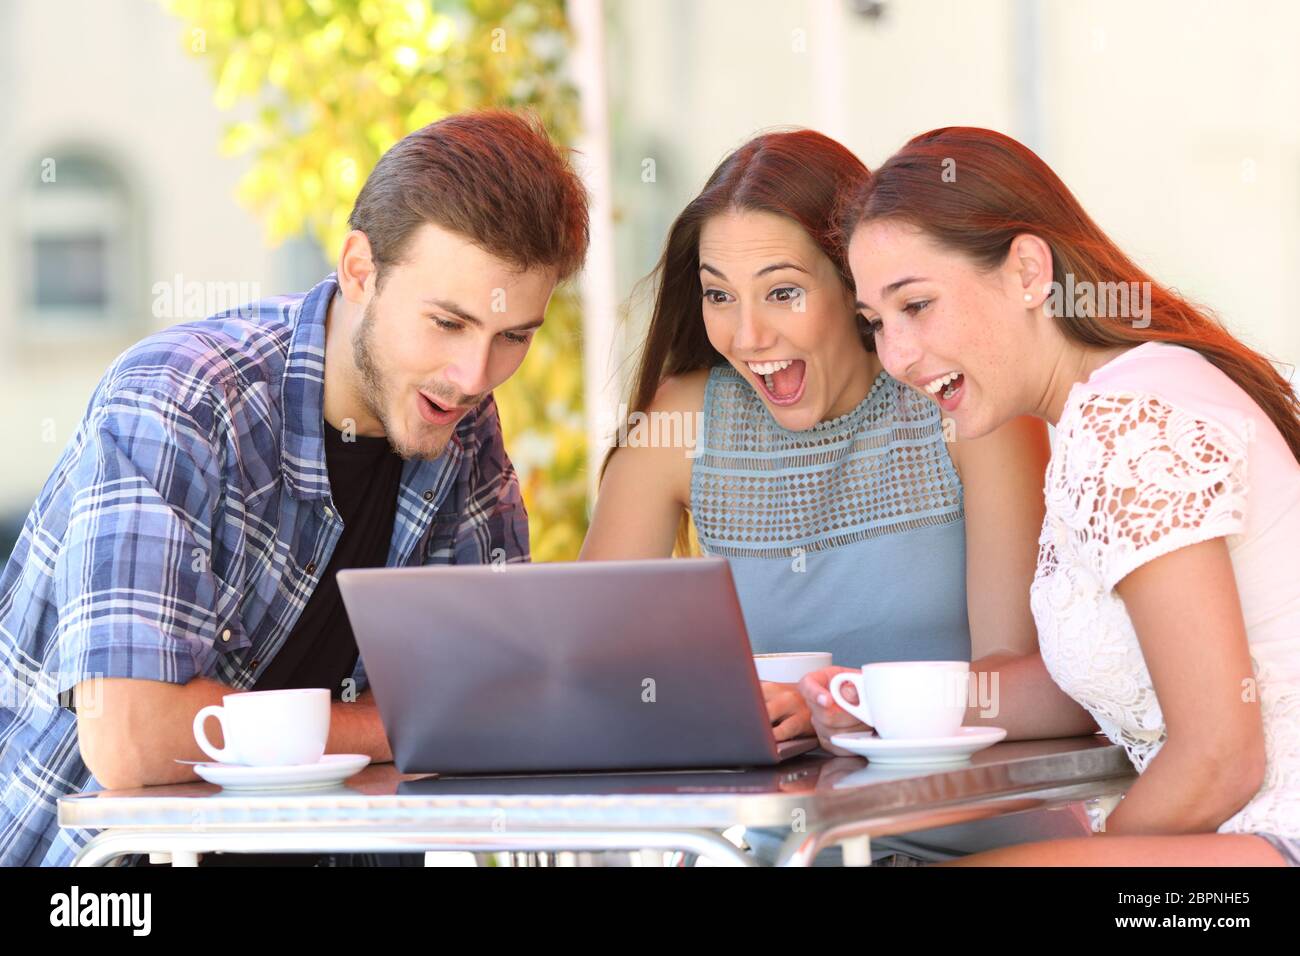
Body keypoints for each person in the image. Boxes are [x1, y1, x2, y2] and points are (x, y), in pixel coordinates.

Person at [0, 110, 589, 867]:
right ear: (359, 268)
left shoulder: (461, 425)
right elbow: (132, 741)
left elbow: (492, 700)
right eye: (447, 322)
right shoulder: (179, 402)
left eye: (513, 337)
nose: (475, 375)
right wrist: (404, 723)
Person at [581, 129, 1096, 864]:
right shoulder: (682, 423)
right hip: (785, 848)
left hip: (981, 841)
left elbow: (1025, 677)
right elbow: (588, 671)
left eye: (783, 292)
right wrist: (703, 707)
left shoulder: (965, 403)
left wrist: (846, 706)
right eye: (718, 295)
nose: (748, 333)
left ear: (852, 283)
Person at [821, 125, 1300, 865]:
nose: (897, 357)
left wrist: (1100, 852)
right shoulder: (1120, 399)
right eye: (875, 323)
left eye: (916, 306)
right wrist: (867, 701)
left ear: (1026, 271)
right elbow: (1093, 685)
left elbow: (1220, 757)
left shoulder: (1126, 422)